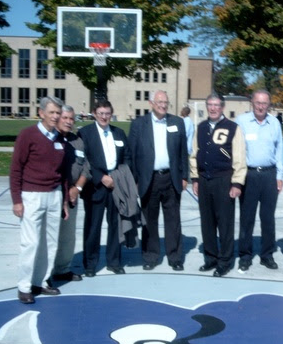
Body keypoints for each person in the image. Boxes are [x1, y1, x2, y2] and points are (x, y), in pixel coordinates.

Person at [10, 96, 68, 303]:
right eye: (51, 112)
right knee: (31, 243)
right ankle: (24, 287)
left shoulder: (60, 139)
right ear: (41, 113)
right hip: (32, 195)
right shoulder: (28, 135)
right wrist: (17, 199)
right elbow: (16, 168)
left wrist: (63, 201)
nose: (55, 117)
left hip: (54, 195)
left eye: (57, 113)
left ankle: (40, 281)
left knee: (50, 243)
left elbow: (63, 173)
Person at [129, 90, 189, 271]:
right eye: (159, 101)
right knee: (149, 220)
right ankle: (150, 256)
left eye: (166, 102)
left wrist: (184, 176)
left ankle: (175, 257)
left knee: (173, 220)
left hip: (171, 179)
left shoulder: (177, 122)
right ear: (151, 103)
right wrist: (135, 180)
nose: (163, 105)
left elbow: (182, 153)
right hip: (149, 179)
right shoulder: (139, 125)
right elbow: (132, 155)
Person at [190, 93, 247, 277]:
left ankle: (225, 261)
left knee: (225, 223)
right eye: (210, 105)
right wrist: (195, 178)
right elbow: (194, 154)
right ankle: (211, 258)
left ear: (222, 107)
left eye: (216, 105)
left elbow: (239, 157)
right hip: (204, 180)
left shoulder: (233, 128)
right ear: (206, 106)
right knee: (207, 222)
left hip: (224, 180)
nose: (213, 108)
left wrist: (237, 183)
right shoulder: (201, 127)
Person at [79, 100, 132, 277]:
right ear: (94, 113)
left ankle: (114, 261)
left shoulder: (119, 133)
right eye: (100, 113)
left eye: (107, 113)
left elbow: (127, 158)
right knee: (93, 226)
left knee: (116, 225)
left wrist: (120, 177)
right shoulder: (85, 133)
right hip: (95, 186)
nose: (104, 117)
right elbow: (84, 160)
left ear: (111, 114)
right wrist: (101, 177)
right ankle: (90, 264)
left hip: (116, 184)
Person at [236, 90, 283, 272]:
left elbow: (279, 150)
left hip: (269, 175)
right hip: (249, 175)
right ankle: (245, 255)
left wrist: (279, 176)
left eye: (264, 103)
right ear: (252, 103)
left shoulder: (275, 124)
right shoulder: (241, 122)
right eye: (258, 103)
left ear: (269, 104)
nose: (261, 106)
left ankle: (267, 255)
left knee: (268, 218)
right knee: (247, 218)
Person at [52, 105, 88, 282]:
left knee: (68, 236)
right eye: (65, 117)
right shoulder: (51, 138)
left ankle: (62, 269)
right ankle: (44, 274)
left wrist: (78, 188)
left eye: (71, 118)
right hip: (53, 193)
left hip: (72, 194)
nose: (68, 121)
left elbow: (86, 167)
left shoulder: (77, 141)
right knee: (50, 236)